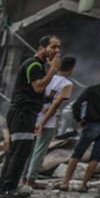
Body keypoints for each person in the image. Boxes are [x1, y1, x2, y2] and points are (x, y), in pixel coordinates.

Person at [0, 35, 62, 198]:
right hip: (22, 113)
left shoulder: (38, 66)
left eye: (58, 47)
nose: (57, 50)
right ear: (41, 48)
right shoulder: (33, 65)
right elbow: (38, 87)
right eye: (53, 47)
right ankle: (8, 188)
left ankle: (5, 188)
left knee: (17, 151)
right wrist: (53, 70)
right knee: (19, 152)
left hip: (25, 113)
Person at [59, 64, 100, 192]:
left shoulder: (92, 89)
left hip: (91, 125)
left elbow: (76, 104)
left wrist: (79, 120)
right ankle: (83, 185)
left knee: (77, 154)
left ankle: (65, 183)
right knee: (95, 157)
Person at [24, 56, 75, 188]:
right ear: (71, 69)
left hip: (33, 115)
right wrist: (43, 122)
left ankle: (24, 177)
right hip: (48, 120)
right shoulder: (67, 84)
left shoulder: (47, 78)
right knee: (39, 150)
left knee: (28, 149)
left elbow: (33, 95)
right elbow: (55, 105)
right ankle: (31, 179)